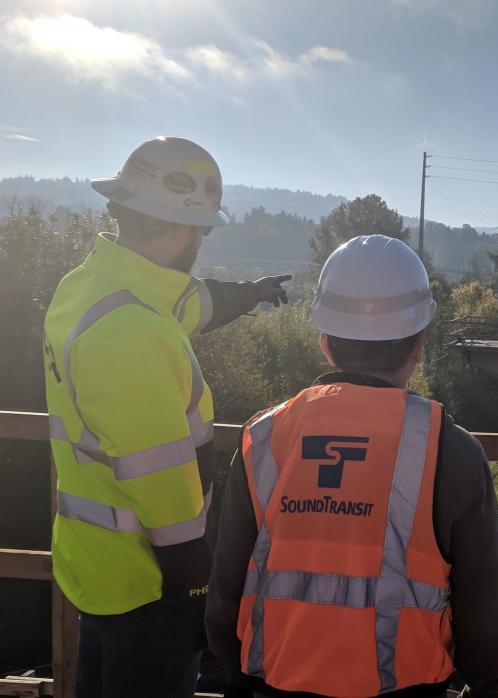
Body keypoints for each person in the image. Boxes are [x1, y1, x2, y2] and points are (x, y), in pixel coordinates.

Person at [206, 235, 498, 698]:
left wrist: (233, 670)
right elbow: (483, 612)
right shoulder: (450, 451)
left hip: (272, 683)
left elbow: (225, 590)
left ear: (325, 342)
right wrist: (486, 679)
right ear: (420, 344)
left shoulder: (263, 437)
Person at [43, 136, 291, 697]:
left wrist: (247, 295)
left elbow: (185, 304)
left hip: (96, 565)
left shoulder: (92, 286)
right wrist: (199, 597)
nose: (201, 241)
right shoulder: (132, 333)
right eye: (203, 230)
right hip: (149, 587)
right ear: (185, 229)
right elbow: (164, 491)